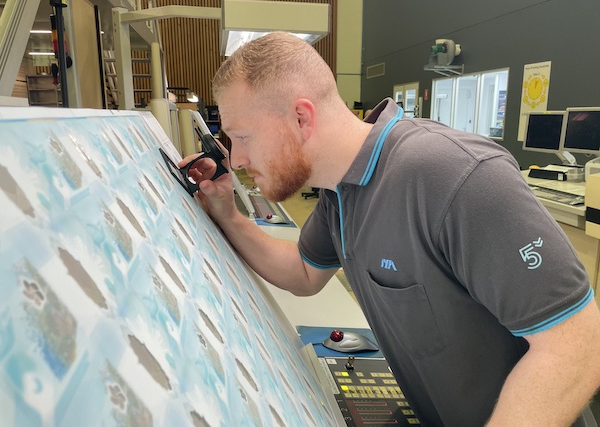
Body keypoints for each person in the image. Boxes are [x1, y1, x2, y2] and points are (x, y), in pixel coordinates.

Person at [180, 32, 600, 426]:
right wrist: (228, 215)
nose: (236, 159)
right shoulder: (338, 189)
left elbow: (578, 345)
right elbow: (303, 273)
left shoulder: (453, 175)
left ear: (301, 118)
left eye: (242, 137)